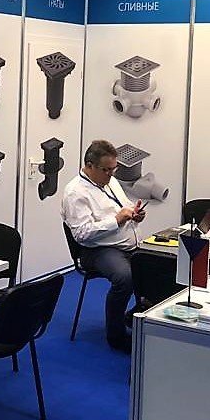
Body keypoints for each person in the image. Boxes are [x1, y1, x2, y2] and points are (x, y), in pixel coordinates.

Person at [61, 140, 146, 352]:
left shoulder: (110, 181)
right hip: (96, 249)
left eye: (113, 169)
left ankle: (136, 314)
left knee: (158, 265)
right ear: (89, 166)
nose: (110, 174)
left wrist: (134, 213)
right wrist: (116, 220)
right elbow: (82, 234)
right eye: (106, 170)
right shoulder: (75, 193)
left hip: (126, 243)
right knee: (124, 278)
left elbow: (124, 206)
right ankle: (116, 336)